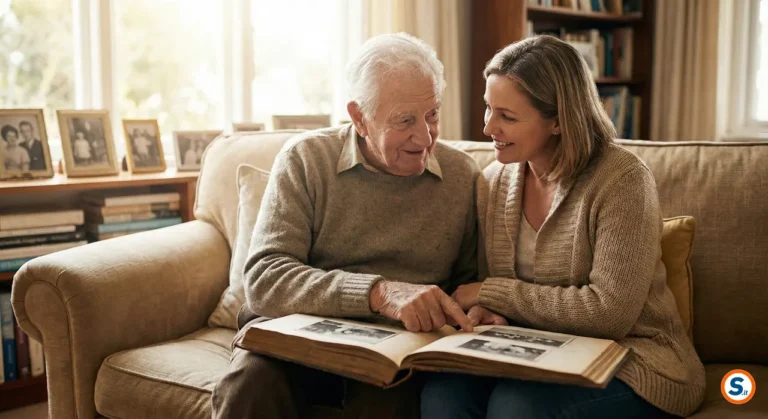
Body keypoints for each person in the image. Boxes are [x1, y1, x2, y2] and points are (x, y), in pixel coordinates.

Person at [212, 33, 503, 419]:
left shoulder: (462, 176)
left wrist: (478, 307)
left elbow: (466, 285)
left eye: (432, 114)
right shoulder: (306, 160)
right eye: (405, 120)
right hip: (297, 340)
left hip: (398, 353)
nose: (425, 136)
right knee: (250, 385)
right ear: (359, 117)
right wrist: (378, 293)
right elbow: (265, 279)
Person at [421, 35, 706, 419]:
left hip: (634, 358)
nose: (488, 128)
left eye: (507, 117)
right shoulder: (492, 182)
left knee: (516, 408)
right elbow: (495, 296)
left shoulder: (623, 181)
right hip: (535, 353)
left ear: (557, 121)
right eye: (488, 108)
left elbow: (609, 313)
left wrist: (492, 293)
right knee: (442, 394)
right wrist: (490, 310)